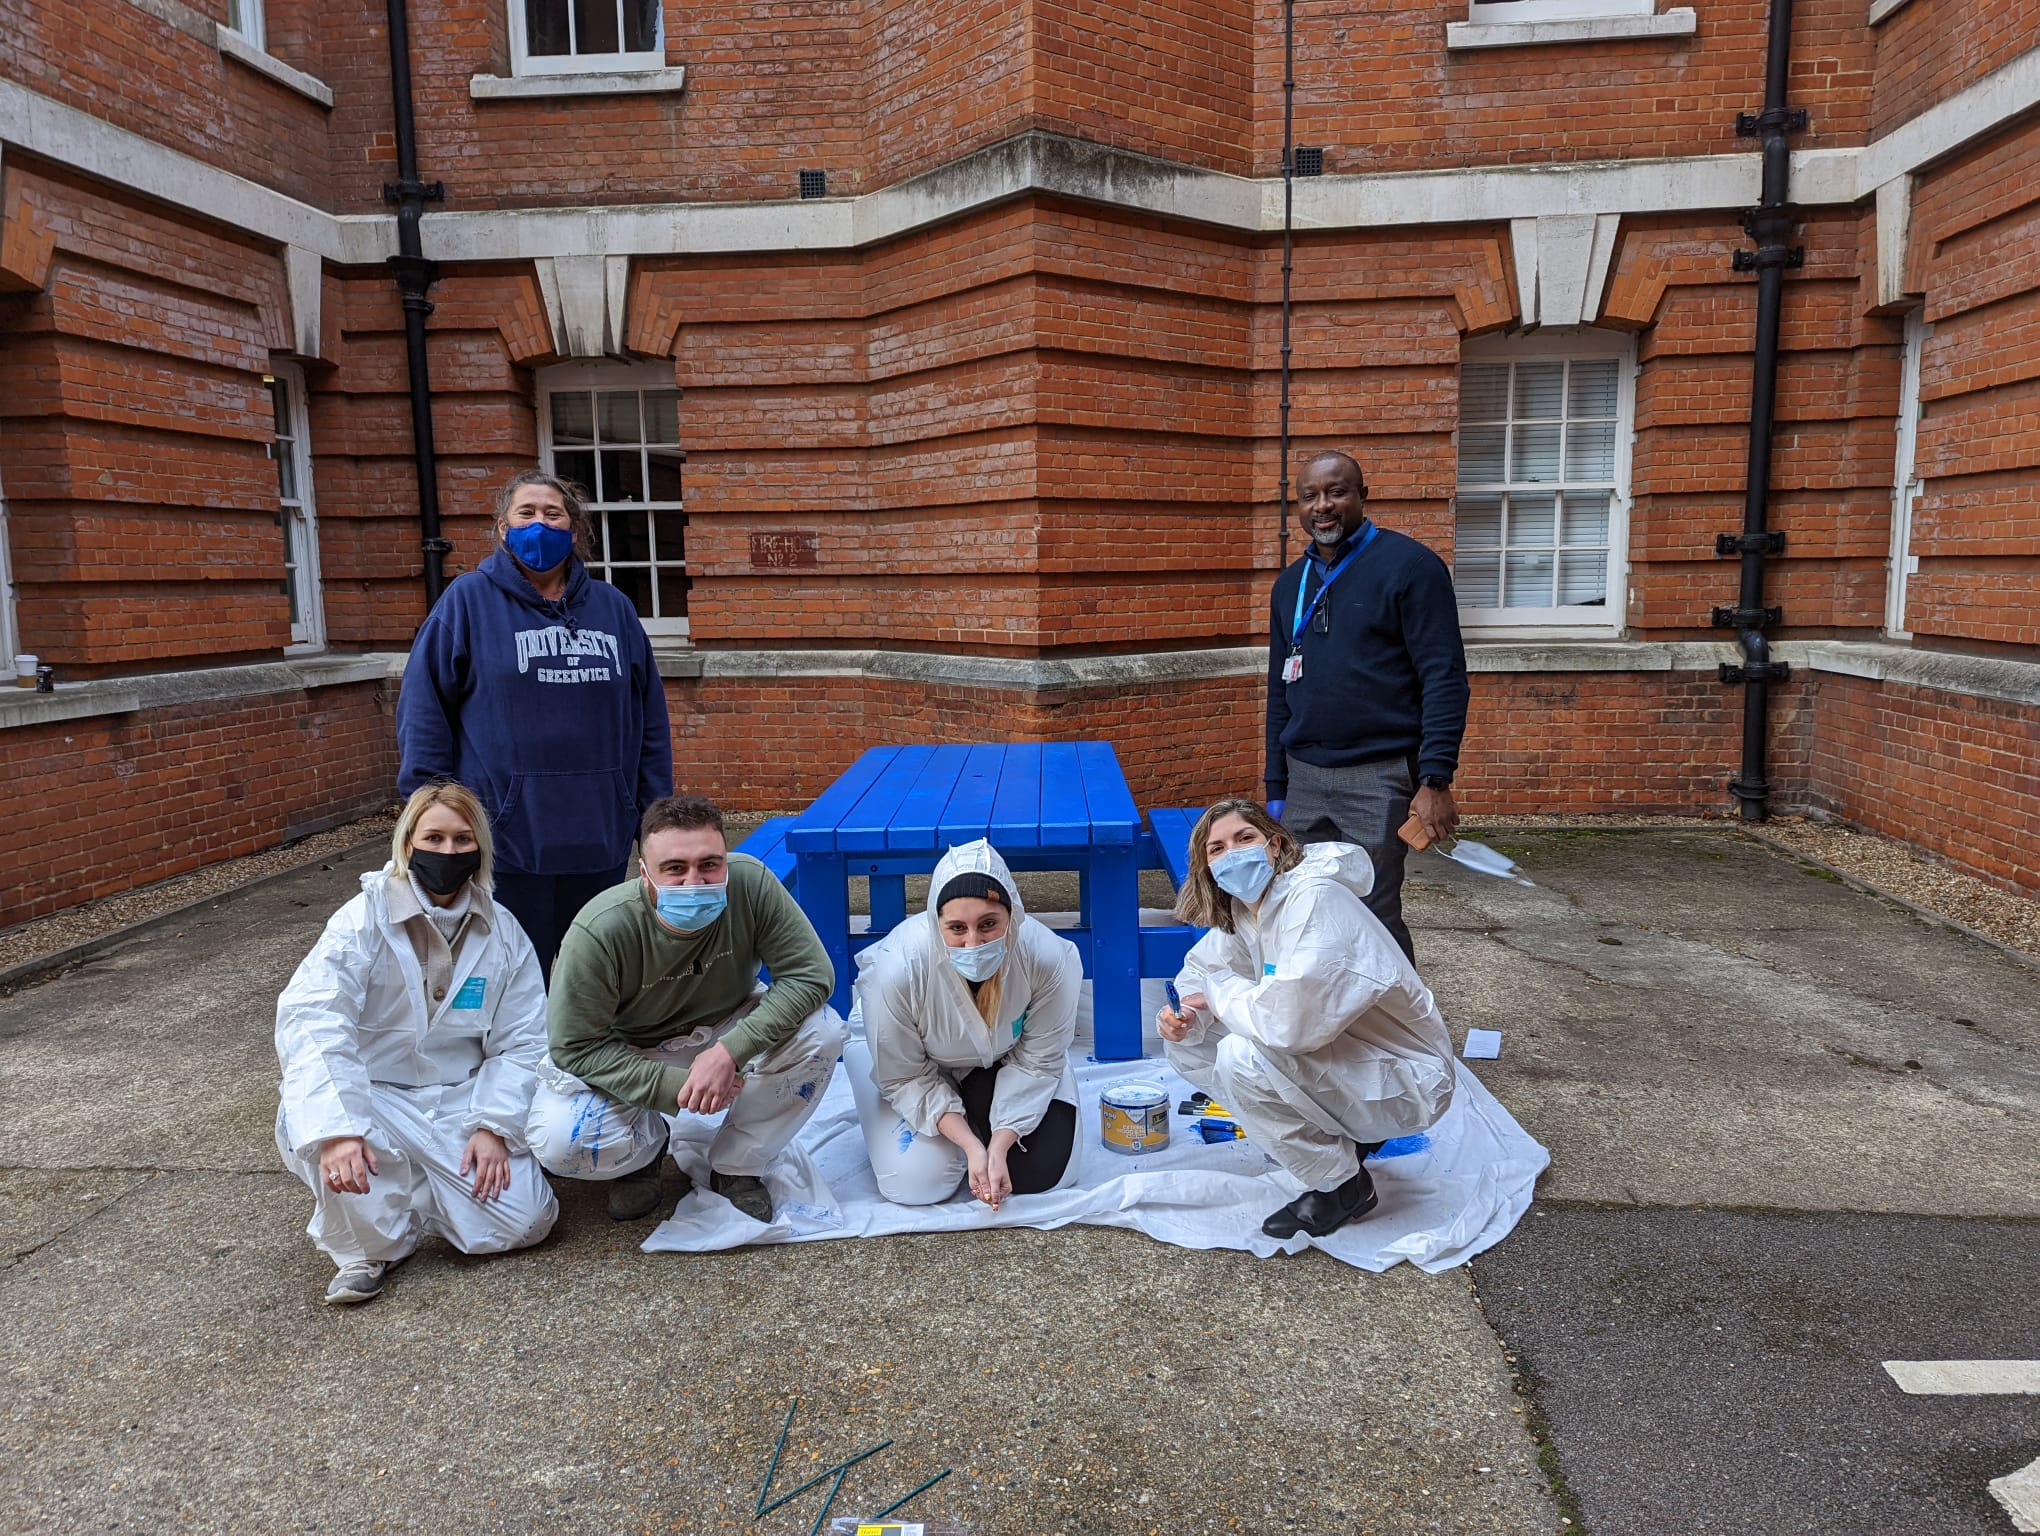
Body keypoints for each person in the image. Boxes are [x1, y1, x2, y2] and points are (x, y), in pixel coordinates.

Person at [274, 783, 558, 1305]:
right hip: (372, 1095)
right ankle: (366, 1250)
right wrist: (338, 1129)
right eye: (433, 837)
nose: (447, 852)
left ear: (479, 850)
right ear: (407, 845)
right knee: (327, 1145)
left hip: (458, 1099)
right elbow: (315, 1019)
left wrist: (494, 1125)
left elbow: (523, 1039)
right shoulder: (360, 920)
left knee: (524, 1222)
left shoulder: (504, 930)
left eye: (461, 839)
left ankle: (421, 1185)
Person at [396, 470, 673, 980]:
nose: (539, 524)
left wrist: (654, 821)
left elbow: (650, 720)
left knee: (596, 979)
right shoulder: (467, 602)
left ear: (574, 530)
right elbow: (423, 709)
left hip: (600, 836)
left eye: (553, 514)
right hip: (507, 842)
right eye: (526, 513)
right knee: (511, 982)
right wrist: (430, 811)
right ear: (502, 528)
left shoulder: (614, 609)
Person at [527, 795, 846, 1225]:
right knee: (561, 1143)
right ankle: (645, 1150)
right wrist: (672, 1086)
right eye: (674, 868)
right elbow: (576, 1046)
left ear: (726, 862)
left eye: (709, 865)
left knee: (823, 1030)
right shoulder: (599, 930)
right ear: (644, 874)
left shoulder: (750, 883)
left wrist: (728, 1051)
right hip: (634, 1046)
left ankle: (737, 1166)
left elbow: (812, 975)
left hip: (724, 1024)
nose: (694, 882)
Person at [1157, 799, 1455, 1240]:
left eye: (1245, 839)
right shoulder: (1248, 910)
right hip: (1352, 1060)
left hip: (1410, 1077)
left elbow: (1287, 1025)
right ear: (1206, 865)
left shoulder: (1316, 900)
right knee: (1190, 1042)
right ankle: (1331, 1142)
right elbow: (1202, 972)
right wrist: (1183, 1015)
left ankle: (1343, 1186)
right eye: (1217, 849)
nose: (1233, 855)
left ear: (1274, 846)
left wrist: (1216, 997)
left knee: (1243, 1054)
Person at [1265, 450, 1470, 961]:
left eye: (1336, 491)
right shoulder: (1291, 584)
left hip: (1378, 776)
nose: (1323, 506)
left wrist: (1436, 779)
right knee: (1303, 908)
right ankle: (1325, 1028)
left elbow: (1444, 678)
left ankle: (1404, 1035)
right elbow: (1278, 689)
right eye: (1309, 496)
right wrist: (1275, 787)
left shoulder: (1412, 567)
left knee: (1373, 913)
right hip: (1304, 775)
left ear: (1362, 496)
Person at [848, 840, 1083, 1209]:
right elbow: (904, 1074)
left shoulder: (1047, 957)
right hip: (902, 1059)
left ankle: (985, 1100)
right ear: (935, 922)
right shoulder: (897, 970)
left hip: (1001, 1051)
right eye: (957, 928)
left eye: (989, 924)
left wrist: (1001, 1143)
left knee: (1042, 1172)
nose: (973, 943)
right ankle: (957, 1113)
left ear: (1013, 917)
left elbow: (1037, 1060)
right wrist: (972, 1146)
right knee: (916, 1184)